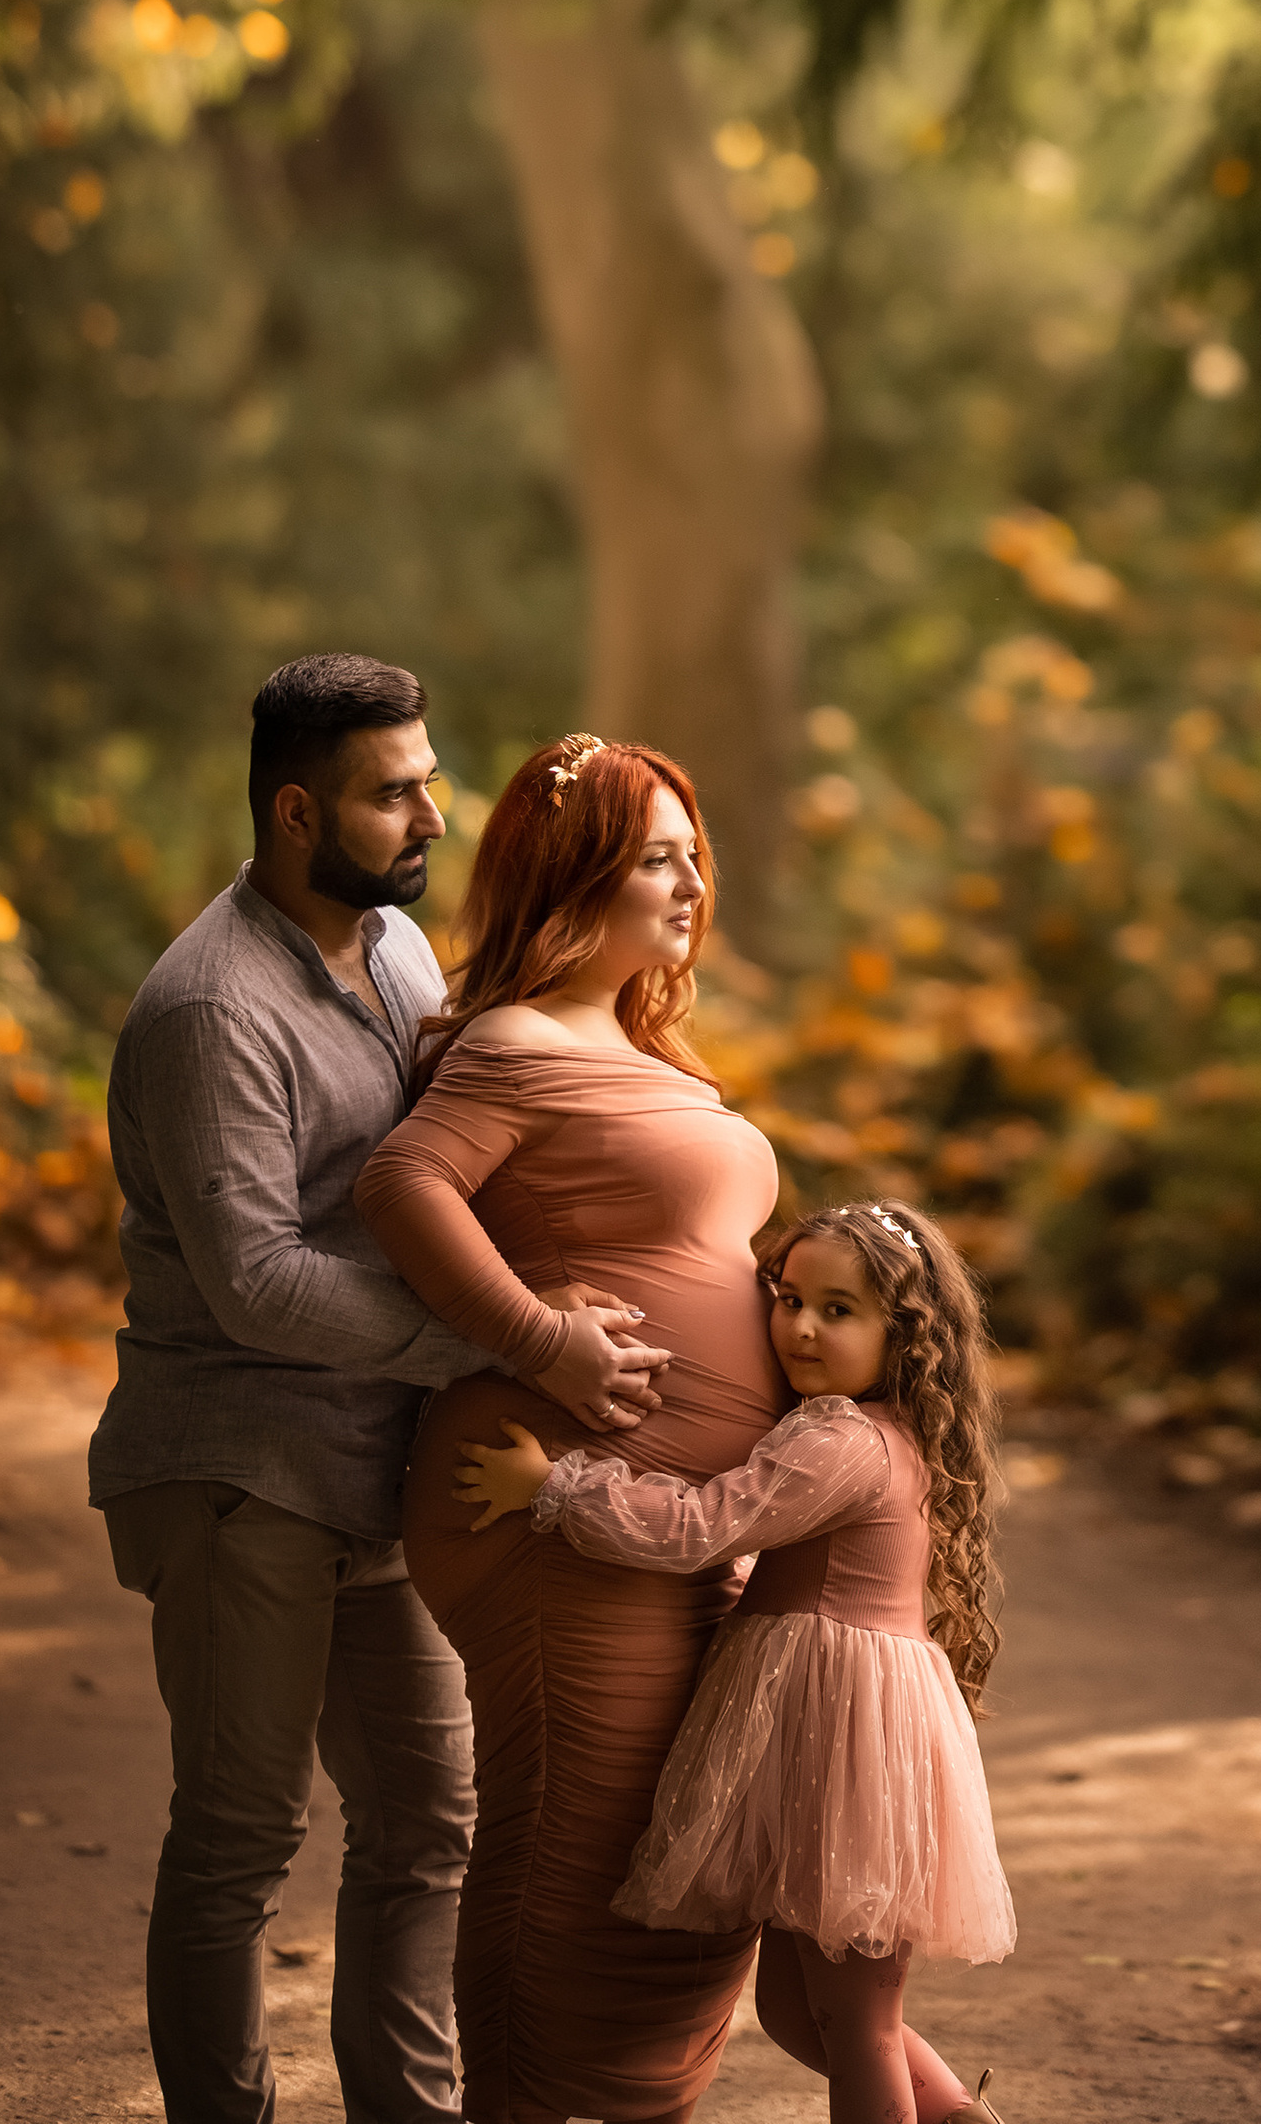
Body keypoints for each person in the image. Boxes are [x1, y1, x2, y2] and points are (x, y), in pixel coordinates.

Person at [91, 652, 666, 2124]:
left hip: (380, 1461)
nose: (432, 813)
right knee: (239, 1837)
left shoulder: (397, 951)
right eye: (391, 791)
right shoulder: (212, 1010)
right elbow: (259, 1284)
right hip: (238, 1471)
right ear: (295, 812)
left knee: (427, 1825)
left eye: (428, 777)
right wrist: (516, 1339)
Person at [354, 734, 785, 2124]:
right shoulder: (515, 1040)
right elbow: (403, 1187)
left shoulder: (638, 1042)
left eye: (691, 851)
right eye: (656, 855)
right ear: (573, 877)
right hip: (550, 1511)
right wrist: (542, 1342)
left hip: (679, 1521)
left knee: (685, 1840)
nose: (689, 880)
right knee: (568, 1835)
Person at [454, 1196, 1014, 2124]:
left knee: (857, 2022)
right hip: (830, 1727)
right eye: (788, 1298)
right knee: (801, 2011)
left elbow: (698, 1529)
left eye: (839, 1310)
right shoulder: (882, 1434)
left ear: (905, 1335)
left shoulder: (840, 1440)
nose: (800, 1326)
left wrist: (553, 1482)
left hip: (848, 1743)